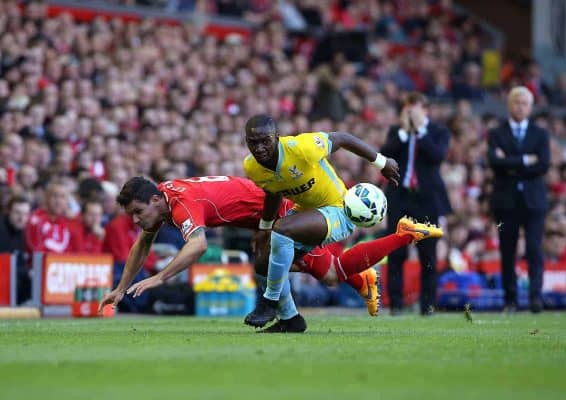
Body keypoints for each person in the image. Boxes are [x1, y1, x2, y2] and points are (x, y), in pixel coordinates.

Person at [99, 176, 439, 333]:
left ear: (155, 200)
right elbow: (142, 243)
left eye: (138, 211)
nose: (136, 219)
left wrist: (158, 278)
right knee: (326, 271)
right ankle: (305, 310)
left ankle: (401, 235)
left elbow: (198, 245)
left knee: (326, 271)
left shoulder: (183, 205)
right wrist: (120, 287)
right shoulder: (165, 196)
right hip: (267, 219)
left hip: (281, 215)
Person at [242, 114, 442, 328]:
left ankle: (269, 302)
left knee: (282, 230)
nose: (260, 148)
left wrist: (381, 162)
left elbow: (343, 138)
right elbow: (273, 192)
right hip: (306, 214)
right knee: (262, 261)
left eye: (266, 141)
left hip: (338, 209)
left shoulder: (302, 148)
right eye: (254, 143)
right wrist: (263, 228)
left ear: (277, 137)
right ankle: (291, 319)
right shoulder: (252, 167)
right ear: (246, 142)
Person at [380, 92, 452, 315]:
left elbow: (437, 155)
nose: (411, 112)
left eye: (416, 107)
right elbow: (385, 156)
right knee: (396, 253)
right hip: (400, 198)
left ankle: (428, 305)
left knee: (427, 254)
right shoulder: (396, 132)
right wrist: (403, 132)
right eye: (408, 107)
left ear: (426, 110)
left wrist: (420, 131)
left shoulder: (439, 132)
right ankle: (397, 305)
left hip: (427, 200)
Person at [487, 86, 550, 313]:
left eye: (525, 103)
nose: (520, 106)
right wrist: (525, 160)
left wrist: (511, 162)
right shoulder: (497, 133)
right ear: (509, 104)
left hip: (534, 202)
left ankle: (535, 298)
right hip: (505, 202)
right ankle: (510, 300)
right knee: (507, 251)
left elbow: (543, 165)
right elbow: (495, 163)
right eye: (517, 102)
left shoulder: (540, 134)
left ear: (531, 107)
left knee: (534, 249)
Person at [0, 195, 32, 304]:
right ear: (8, 211)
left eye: (25, 214)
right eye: (17, 213)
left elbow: (20, 262)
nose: (21, 218)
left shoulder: (21, 232)